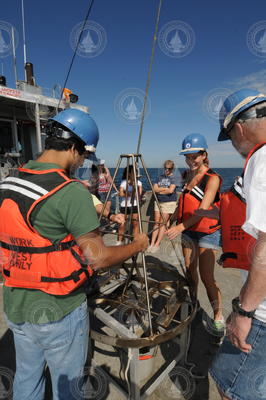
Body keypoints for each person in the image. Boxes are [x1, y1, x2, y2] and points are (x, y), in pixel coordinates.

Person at [0, 108, 148, 400]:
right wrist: (138, 244)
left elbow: (37, 234)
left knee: (27, 380)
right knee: (67, 389)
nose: (82, 163)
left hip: (17, 305)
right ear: (73, 148)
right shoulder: (70, 191)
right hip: (60, 310)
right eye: (83, 156)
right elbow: (99, 257)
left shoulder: (8, 182)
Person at [208, 88, 266, 400]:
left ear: (238, 128)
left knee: (228, 385)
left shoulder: (262, 160)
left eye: (229, 137)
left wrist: (243, 312)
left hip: (263, 312)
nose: (234, 146)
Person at [166, 133, 224, 330]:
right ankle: (193, 305)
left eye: (194, 156)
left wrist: (179, 227)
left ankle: (218, 315)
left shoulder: (212, 178)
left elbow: (203, 209)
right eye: (187, 156)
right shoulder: (185, 175)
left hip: (207, 232)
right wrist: (172, 218)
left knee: (207, 276)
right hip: (189, 231)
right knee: (190, 271)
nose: (190, 160)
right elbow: (184, 202)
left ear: (204, 154)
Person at [148, 160, 177, 252]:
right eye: (165, 168)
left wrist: (159, 190)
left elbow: (171, 191)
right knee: (156, 222)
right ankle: (152, 243)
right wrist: (165, 189)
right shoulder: (159, 177)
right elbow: (154, 189)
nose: (167, 170)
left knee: (162, 223)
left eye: (169, 168)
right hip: (158, 202)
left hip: (168, 202)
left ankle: (157, 244)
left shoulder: (174, 178)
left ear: (172, 169)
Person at [117, 165, 142, 246]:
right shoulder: (124, 182)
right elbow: (120, 193)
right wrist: (130, 193)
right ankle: (120, 241)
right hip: (124, 205)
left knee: (135, 223)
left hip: (134, 205)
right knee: (122, 223)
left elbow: (139, 194)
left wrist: (127, 193)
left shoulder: (138, 183)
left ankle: (135, 241)